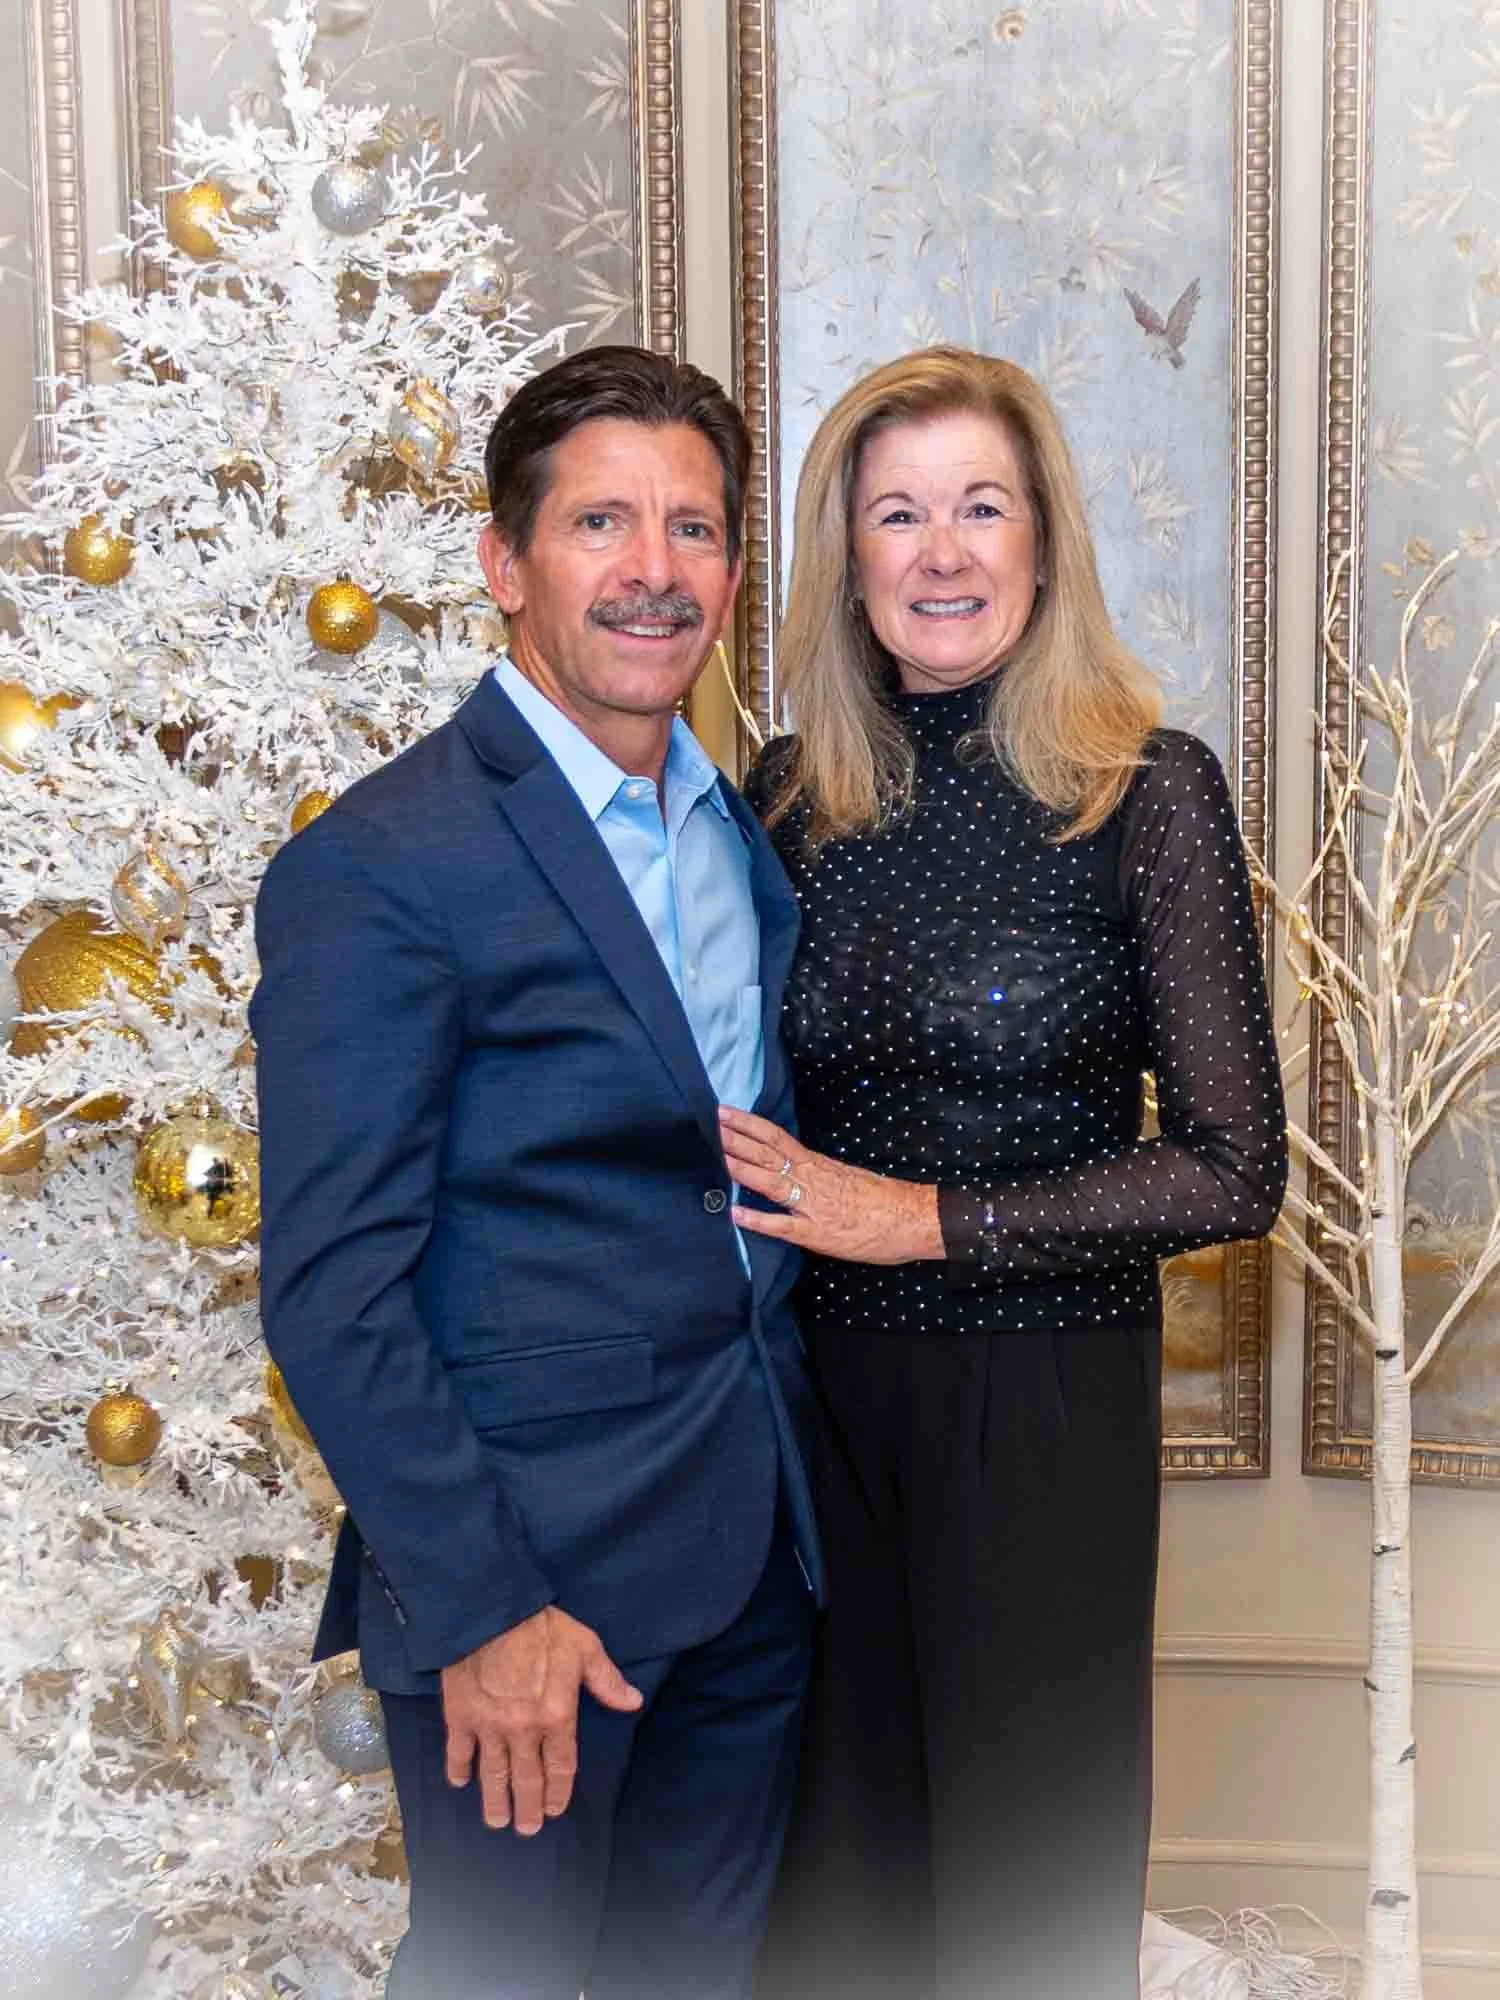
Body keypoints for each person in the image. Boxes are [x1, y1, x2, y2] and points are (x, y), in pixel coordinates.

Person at [252, 344, 823, 2000]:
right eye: (600, 523)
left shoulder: (738, 832)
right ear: (507, 564)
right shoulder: (379, 863)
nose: (655, 570)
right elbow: (332, 1288)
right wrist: (488, 1605)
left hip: (749, 1559)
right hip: (532, 1602)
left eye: (695, 529)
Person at [720, 346, 1288, 2000]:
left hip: (1044, 1408)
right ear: (849, 556)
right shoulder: (785, 797)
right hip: (815, 1414)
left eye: (982, 506)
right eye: (898, 513)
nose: (942, 550)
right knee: (833, 1901)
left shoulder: (1143, 790)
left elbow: (1231, 1170)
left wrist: (924, 1222)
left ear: (1044, 544)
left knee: (1023, 1908)